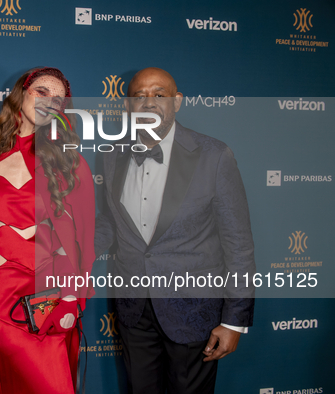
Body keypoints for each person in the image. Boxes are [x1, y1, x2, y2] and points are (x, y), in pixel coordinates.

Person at [94, 67, 255, 394]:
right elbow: (110, 223)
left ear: (177, 101)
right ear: (128, 104)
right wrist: (69, 252)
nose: (149, 102)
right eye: (140, 95)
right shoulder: (111, 156)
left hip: (193, 311)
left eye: (159, 94)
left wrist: (234, 319)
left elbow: (239, 246)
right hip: (134, 310)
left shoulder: (214, 156)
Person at [0, 67, 95, 394]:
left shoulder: (69, 162)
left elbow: (83, 240)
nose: (50, 101)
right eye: (42, 91)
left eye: (59, 99)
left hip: (44, 297)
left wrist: (72, 299)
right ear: (20, 94)